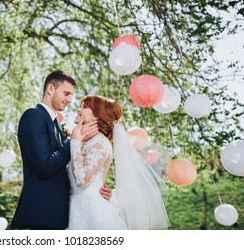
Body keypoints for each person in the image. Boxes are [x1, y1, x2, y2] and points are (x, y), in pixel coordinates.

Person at [10, 70, 108, 230]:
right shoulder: (33, 116)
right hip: (41, 214)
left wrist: (96, 190)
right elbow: (45, 166)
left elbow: (69, 167)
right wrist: (72, 140)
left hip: (59, 215)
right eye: (66, 93)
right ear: (50, 89)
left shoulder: (55, 124)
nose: (70, 100)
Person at [67, 94, 170, 230]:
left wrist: (75, 141)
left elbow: (81, 180)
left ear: (97, 116)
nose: (79, 110)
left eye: (84, 107)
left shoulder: (99, 144)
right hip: (76, 206)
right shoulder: (86, 142)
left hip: (89, 210)